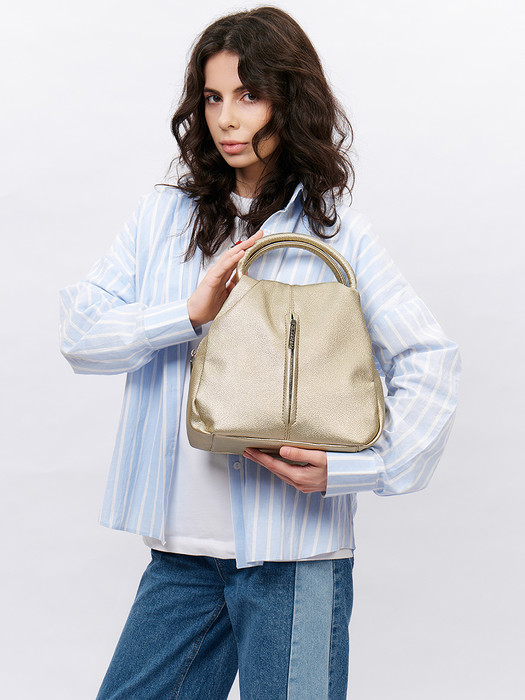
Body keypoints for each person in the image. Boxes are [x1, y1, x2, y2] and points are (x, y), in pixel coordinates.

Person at [59, 6, 460, 699]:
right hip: (181, 559)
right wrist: (188, 313)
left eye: (248, 95)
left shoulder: (337, 237)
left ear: (290, 101)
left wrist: (358, 468)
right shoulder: (163, 219)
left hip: (295, 556)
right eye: (212, 97)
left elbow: (431, 359)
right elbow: (81, 333)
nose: (226, 119)